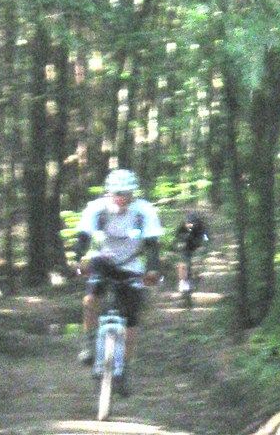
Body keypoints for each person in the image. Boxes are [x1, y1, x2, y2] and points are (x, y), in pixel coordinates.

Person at [72, 168, 163, 395]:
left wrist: (152, 269)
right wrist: (78, 259)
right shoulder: (97, 208)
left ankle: (124, 369)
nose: (121, 198)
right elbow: (83, 237)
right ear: (109, 192)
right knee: (91, 297)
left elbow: (152, 244)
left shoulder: (144, 211)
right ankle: (89, 342)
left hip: (131, 265)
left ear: (133, 193)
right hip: (103, 260)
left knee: (131, 319)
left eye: (126, 193)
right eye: (117, 193)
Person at [174, 211, 209, 298]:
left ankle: (195, 279)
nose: (189, 225)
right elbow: (177, 236)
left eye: (191, 223)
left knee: (196, 264)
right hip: (186, 247)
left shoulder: (200, 226)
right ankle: (184, 282)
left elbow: (205, 238)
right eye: (187, 223)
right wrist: (180, 242)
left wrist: (203, 245)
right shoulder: (182, 226)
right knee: (185, 263)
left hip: (197, 245)